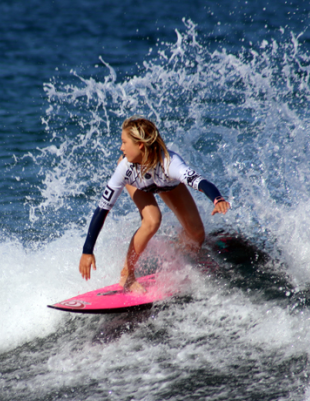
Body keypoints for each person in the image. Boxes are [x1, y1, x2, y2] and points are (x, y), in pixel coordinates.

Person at [79, 116, 230, 292]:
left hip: (168, 185)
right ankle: (127, 275)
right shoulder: (125, 168)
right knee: (152, 220)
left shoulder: (170, 163)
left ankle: (178, 255)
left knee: (197, 235)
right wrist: (87, 250)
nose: (121, 148)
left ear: (140, 145)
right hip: (138, 182)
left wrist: (217, 199)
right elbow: (102, 210)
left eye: (124, 142)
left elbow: (201, 182)